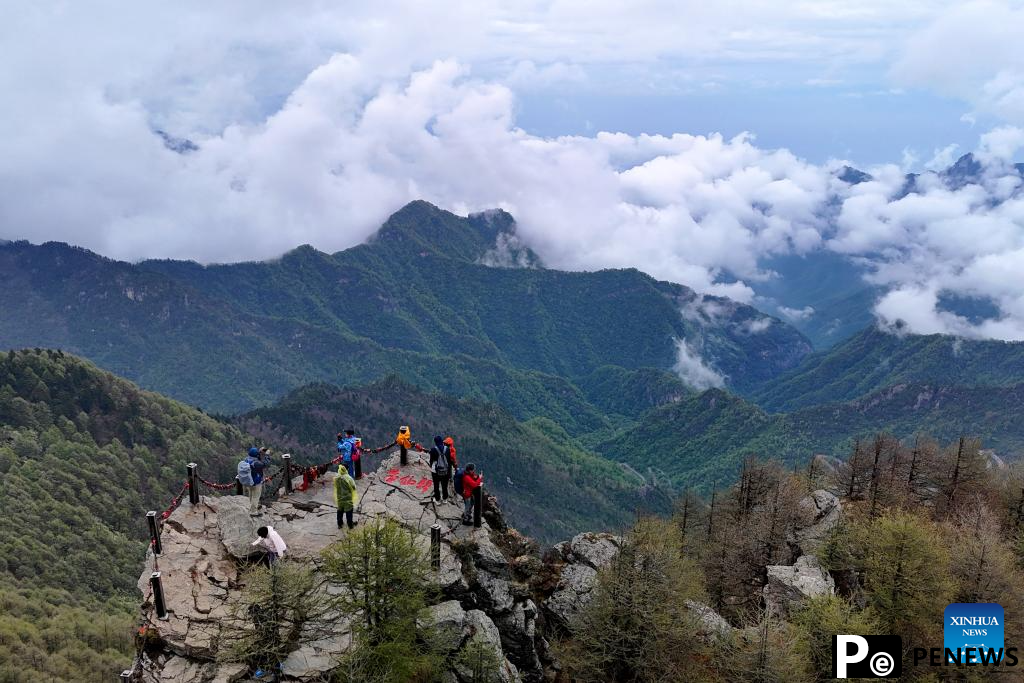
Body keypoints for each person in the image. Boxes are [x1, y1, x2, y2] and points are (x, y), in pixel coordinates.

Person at [238, 447, 268, 516]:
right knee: (256, 496)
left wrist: (259, 454)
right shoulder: (256, 463)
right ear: (256, 455)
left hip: (249, 481)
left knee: (251, 494)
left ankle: (252, 506)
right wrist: (267, 455)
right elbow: (265, 464)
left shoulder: (246, 460)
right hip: (255, 482)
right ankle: (253, 512)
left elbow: (258, 460)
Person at [429, 435, 452, 502]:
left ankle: (438, 500)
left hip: (436, 471)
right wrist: (449, 473)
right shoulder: (447, 449)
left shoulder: (433, 449)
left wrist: (431, 466)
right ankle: (445, 499)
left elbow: (431, 460)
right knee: (444, 485)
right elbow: (449, 461)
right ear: (442, 441)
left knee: (436, 486)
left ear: (435, 442)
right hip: (445, 470)